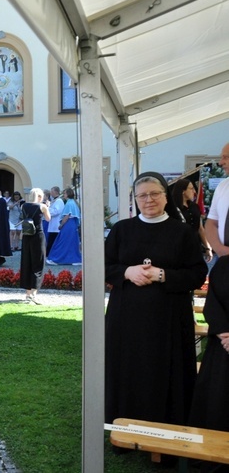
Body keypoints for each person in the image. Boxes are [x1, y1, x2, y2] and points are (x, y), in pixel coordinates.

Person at [105, 172, 207, 449]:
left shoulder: (182, 232)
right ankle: (124, 433)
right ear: (135, 200)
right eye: (142, 195)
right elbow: (104, 266)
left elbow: (197, 273)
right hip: (127, 319)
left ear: (165, 196)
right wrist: (127, 271)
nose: (148, 200)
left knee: (167, 372)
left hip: (169, 319)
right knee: (129, 372)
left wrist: (163, 275)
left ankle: (167, 434)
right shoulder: (121, 230)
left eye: (154, 194)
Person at [189, 256, 229, 473]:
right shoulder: (224, 265)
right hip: (222, 350)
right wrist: (224, 333)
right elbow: (212, 304)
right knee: (217, 401)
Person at [19, 188, 50, 303]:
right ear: (40, 197)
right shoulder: (42, 206)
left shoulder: (24, 206)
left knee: (27, 262)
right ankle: (34, 293)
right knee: (38, 263)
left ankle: (27, 294)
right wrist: (47, 206)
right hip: (38, 235)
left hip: (27, 235)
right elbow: (48, 218)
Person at [171, 178, 212, 262]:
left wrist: (207, 247)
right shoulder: (173, 209)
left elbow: (200, 228)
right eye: (191, 188)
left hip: (196, 246)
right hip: (179, 248)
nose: (194, 191)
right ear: (183, 191)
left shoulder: (195, 206)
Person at [47, 188, 82, 265]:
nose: (64, 195)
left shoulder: (69, 203)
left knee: (62, 241)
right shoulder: (73, 202)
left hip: (68, 224)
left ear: (68, 194)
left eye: (65, 193)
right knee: (71, 242)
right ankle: (74, 259)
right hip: (72, 225)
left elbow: (67, 216)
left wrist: (61, 225)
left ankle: (57, 259)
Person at [206, 142, 229, 257]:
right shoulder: (222, 187)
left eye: (226, 157)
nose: (221, 163)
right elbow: (211, 222)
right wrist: (220, 249)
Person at [45, 186, 64, 255]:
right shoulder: (55, 200)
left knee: (52, 241)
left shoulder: (59, 201)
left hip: (56, 225)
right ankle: (49, 254)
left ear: (56, 192)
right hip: (52, 225)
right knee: (50, 241)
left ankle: (50, 255)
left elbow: (56, 211)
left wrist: (47, 208)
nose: (51, 193)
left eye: (52, 191)